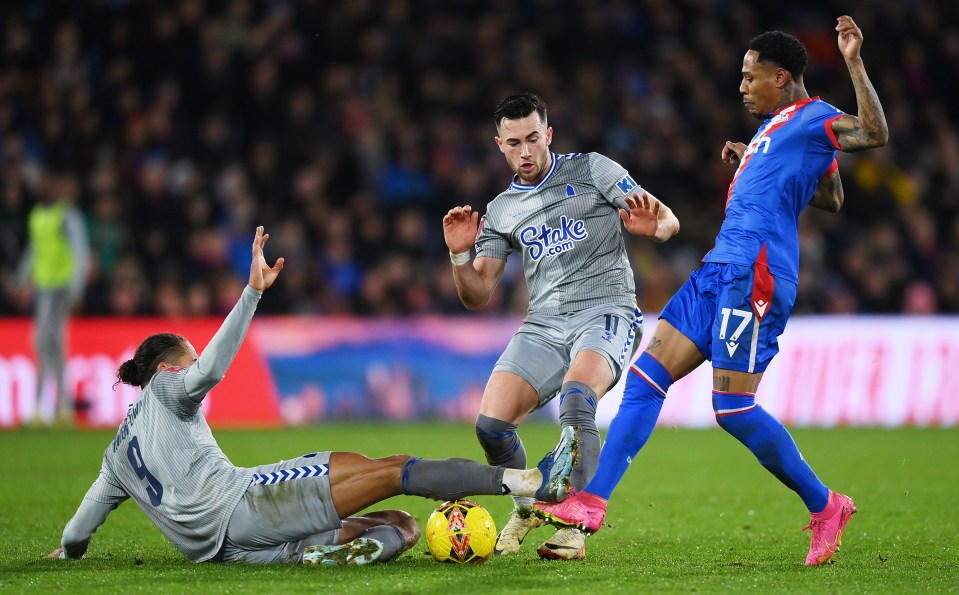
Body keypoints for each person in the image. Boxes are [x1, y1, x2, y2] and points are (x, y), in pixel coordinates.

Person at [535, 16, 888, 567]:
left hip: (757, 274)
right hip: (718, 268)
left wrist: (853, 61)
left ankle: (827, 506)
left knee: (733, 408)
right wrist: (755, 158)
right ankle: (591, 503)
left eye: (750, 78)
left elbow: (873, 134)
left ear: (782, 77)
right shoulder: (775, 130)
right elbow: (830, 196)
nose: (741, 87)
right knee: (648, 377)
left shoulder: (816, 116)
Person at [46, 227, 577, 566]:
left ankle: (316, 554)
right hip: (246, 503)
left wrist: (67, 554)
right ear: (166, 368)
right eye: (187, 355)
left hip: (227, 555)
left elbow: (78, 529)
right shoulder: (168, 387)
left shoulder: (115, 455)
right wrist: (252, 293)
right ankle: (517, 480)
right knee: (393, 468)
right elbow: (207, 371)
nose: (192, 364)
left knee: (402, 527)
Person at [442, 93, 680, 560]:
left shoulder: (593, 169)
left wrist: (660, 229)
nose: (526, 151)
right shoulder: (502, 209)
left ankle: (574, 524)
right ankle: (527, 509)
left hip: (606, 309)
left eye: (534, 138)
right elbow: (477, 293)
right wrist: (458, 256)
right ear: (500, 146)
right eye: (515, 143)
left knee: (578, 399)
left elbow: (667, 218)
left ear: (548, 134)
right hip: (544, 324)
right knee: (491, 426)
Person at [15, 170, 90, 425]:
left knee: (45, 342)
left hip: (60, 289)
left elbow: (80, 252)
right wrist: (21, 279)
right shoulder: (37, 216)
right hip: (44, 288)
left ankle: (48, 405)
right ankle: (60, 406)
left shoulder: (65, 215)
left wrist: (77, 289)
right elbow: (35, 251)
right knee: (50, 344)